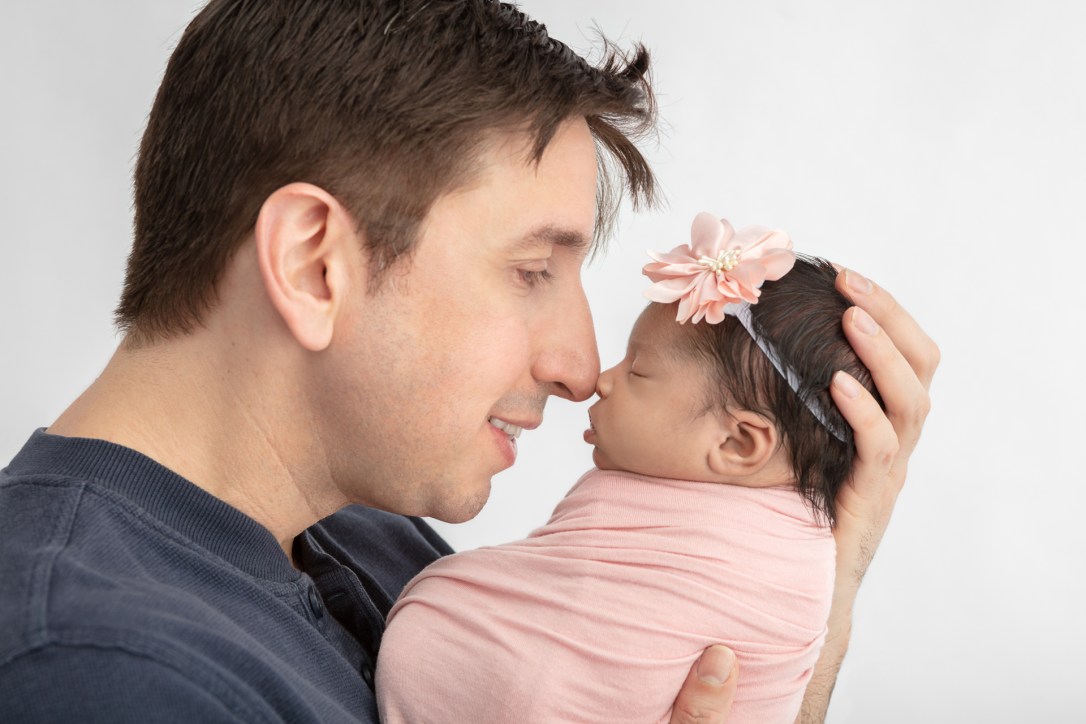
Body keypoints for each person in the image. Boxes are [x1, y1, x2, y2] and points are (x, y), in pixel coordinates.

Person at [0, 2, 938, 723]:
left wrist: (818, 578)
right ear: (312, 263)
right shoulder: (96, 670)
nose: (581, 367)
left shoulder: (360, 532)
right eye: (533, 271)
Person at [376, 214, 883, 723]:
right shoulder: (805, 552)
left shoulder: (784, 560)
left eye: (638, 370)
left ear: (737, 442)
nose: (600, 380)